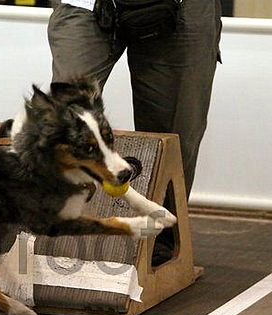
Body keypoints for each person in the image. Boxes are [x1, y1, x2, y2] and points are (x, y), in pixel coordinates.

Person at [47, 0, 222, 265]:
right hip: (87, 4)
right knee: (67, 119)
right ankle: (52, 226)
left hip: (182, 7)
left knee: (174, 135)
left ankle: (161, 242)